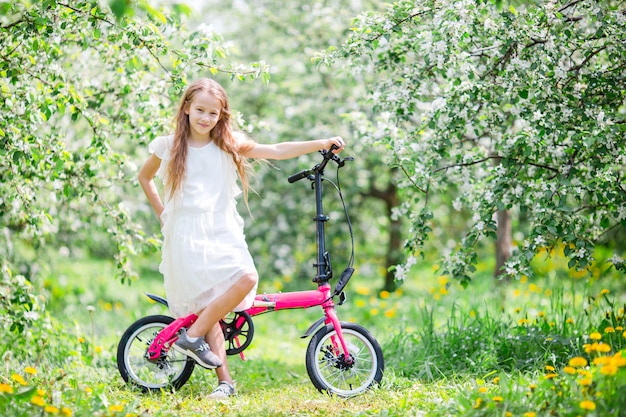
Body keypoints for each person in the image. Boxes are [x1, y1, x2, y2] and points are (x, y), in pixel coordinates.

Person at [138, 78, 345, 398]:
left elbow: (275, 151)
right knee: (209, 306)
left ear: (222, 115)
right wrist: (164, 215)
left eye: (213, 113)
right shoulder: (169, 145)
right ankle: (225, 382)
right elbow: (145, 176)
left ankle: (193, 339)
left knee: (241, 281)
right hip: (187, 231)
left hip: (222, 228)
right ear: (187, 109)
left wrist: (319, 142)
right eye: (200, 110)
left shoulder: (226, 143)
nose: (206, 118)